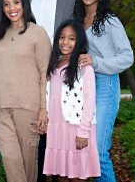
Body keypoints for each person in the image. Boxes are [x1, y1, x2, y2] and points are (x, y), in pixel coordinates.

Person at [0, 0, 51, 182]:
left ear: (24, 4)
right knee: (11, 163)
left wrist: (44, 109)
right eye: (6, 5)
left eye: (16, 2)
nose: (12, 8)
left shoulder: (38, 33)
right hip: (0, 110)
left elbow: (44, 74)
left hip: (28, 109)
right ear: (1, 9)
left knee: (28, 171)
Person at [73, 0, 134, 182]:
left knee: (98, 152)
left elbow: (127, 57)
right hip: (82, 87)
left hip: (105, 85)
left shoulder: (109, 21)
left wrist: (97, 62)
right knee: (84, 150)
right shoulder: (77, 19)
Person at [26, 0, 76, 182]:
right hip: (32, 79)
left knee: (60, 142)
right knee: (37, 140)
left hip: (63, 77)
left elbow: (83, 31)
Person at [43, 19, 101, 182]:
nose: (65, 42)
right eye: (61, 37)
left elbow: (89, 102)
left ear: (79, 41)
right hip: (56, 130)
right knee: (60, 175)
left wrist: (83, 132)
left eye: (71, 38)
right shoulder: (53, 65)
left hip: (75, 129)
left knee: (76, 176)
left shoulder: (84, 67)